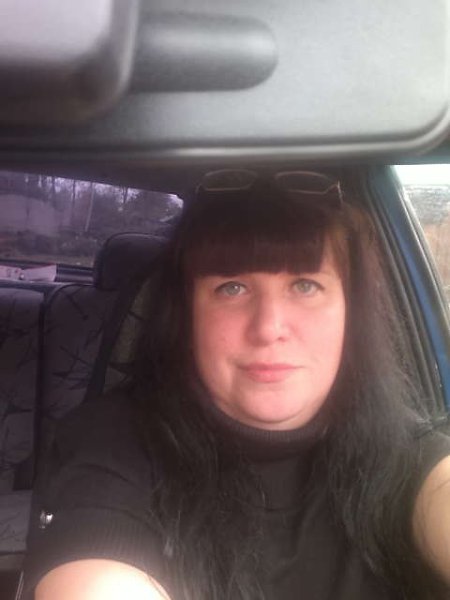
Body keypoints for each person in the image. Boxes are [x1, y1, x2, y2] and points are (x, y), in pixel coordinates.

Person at [25, 171, 450, 599]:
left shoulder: (406, 450)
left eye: (305, 285)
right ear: (187, 316)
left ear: (349, 314)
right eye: (232, 288)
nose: (268, 328)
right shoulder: (113, 442)